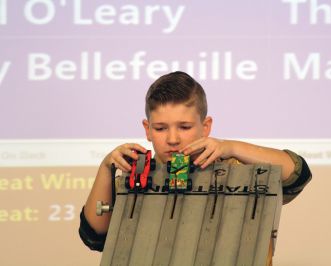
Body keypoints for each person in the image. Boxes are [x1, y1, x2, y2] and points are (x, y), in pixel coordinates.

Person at [79, 71, 312, 260]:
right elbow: (94, 235)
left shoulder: (236, 169)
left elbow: (296, 173)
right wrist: (105, 168)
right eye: (160, 128)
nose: (172, 139)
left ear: (206, 126)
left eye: (184, 127)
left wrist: (231, 147)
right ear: (147, 129)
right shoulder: (138, 176)